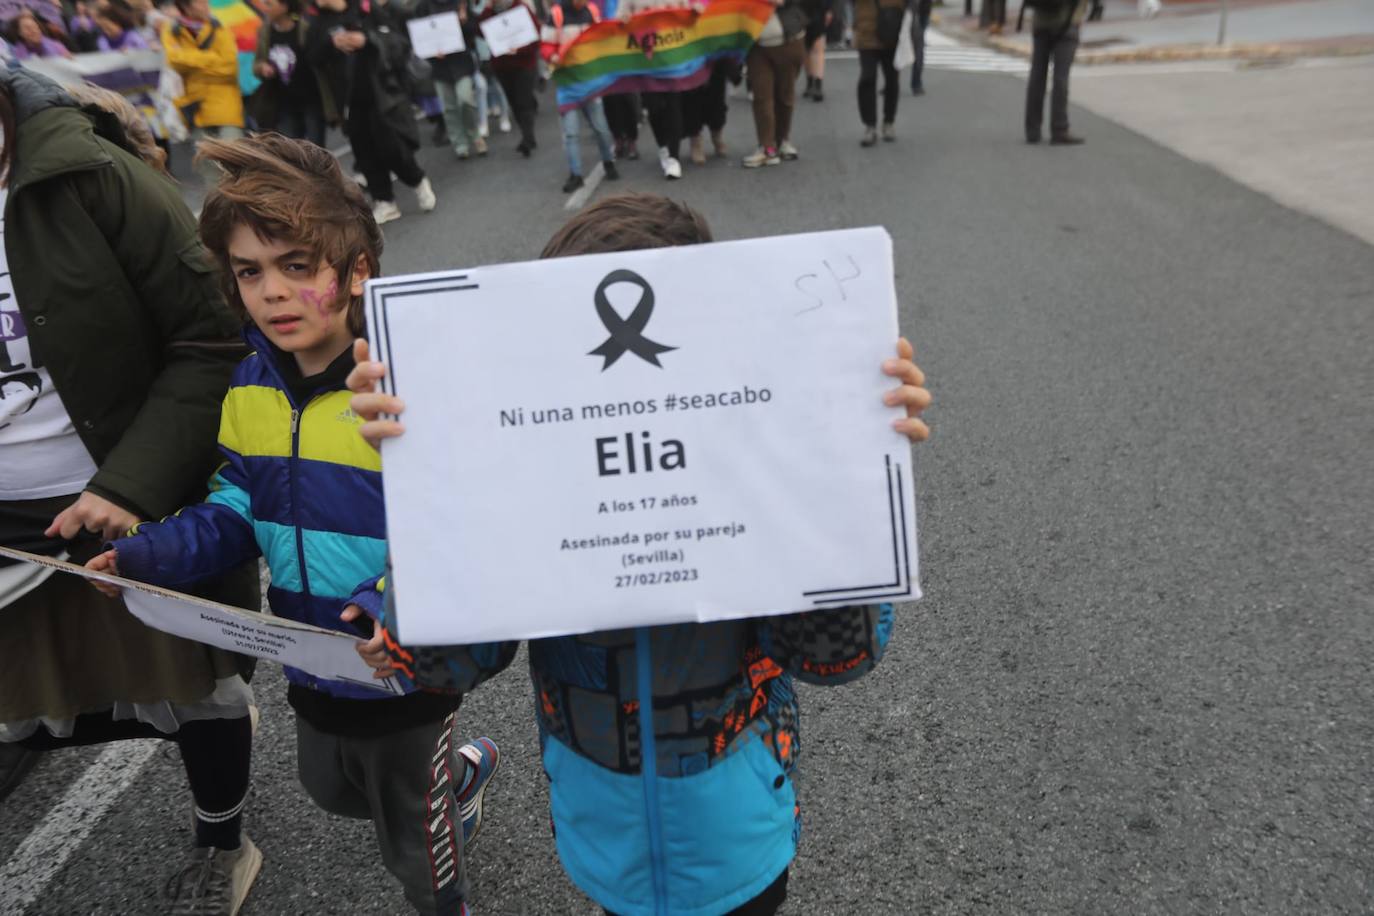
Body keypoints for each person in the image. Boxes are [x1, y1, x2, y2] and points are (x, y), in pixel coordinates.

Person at [344, 192, 933, 916]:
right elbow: (448, 664)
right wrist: (426, 486)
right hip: (603, 836)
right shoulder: (530, 478)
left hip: (740, 836)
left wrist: (849, 465)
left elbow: (836, 656)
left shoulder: (759, 467)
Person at [86, 134, 501, 916]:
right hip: (311, 661)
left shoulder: (402, 384)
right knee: (331, 788)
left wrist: (394, 606)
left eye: (298, 267)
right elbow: (237, 503)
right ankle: (463, 775)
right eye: (251, 271)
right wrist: (149, 555)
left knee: (414, 851)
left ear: (356, 274)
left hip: (401, 666)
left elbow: (458, 520)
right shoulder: (247, 382)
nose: (272, 292)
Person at [0, 67, 261, 914]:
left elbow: (211, 337)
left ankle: (223, 842)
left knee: (194, 684)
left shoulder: (88, 175)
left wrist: (133, 484)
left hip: (119, 490)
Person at [309, 0, 438, 224]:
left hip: (383, 94)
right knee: (364, 152)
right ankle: (384, 200)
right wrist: (332, 43)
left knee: (391, 145)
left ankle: (417, 179)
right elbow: (312, 57)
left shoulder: (365, 8)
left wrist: (366, 40)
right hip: (349, 100)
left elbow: (397, 43)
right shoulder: (319, 23)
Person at [161, 0, 246, 180]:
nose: (207, 5)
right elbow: (174, 60)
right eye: (200, 2)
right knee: (208, 167)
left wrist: (192, 65)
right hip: (195, 107)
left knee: (234, 159)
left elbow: (230, 67)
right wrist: (213, 59)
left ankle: (240, 203)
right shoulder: (172, 30)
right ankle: (219, 206)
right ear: (186, 7)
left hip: (225, 106)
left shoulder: (219, 27)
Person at [547, 0, 617, 190]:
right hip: (568, 85)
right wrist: (554, 56)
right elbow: (546, 45)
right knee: (571, 133)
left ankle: (608, 161)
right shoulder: (556, 15)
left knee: (601, 128)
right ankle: (575, 174)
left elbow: (601, 38)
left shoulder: (592, 11)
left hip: (590, 82)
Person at [250, 0, 330, 146]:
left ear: (284, 6)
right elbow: (257, 64)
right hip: (284, 104)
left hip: (311, 100)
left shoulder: (304, 27)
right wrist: (263, 68)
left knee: (316, 150)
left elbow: (320, 59)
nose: (265, 8)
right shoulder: (265, 31)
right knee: (292, 151)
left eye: (269, 4)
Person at [742, 0, 806, 168]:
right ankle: (767, 148)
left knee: (785, 95)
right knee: (762, 96)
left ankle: (783, 140)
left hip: (788, 41)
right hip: (756, 46)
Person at [476, 0, 540, 156]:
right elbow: (480, 31)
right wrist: (487, 9)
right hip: (502, 65)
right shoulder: (490, 12)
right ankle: (527, 136)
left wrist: (520, 48)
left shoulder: (520, 7)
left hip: (524, 63)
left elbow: (536, 33)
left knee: (523, 100)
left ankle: (528, 138)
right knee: (514, 102)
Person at [1024, 0, 1088, 145]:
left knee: (1037, 74)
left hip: (1040, 22)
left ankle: (1032, 129)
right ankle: (1059, 128)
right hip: (1067, 23)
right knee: (1061, 77)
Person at [852, 0, 903, 146]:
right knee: (867, 77)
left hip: (893, 29)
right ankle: (870, 125)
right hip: (866, 31)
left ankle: (888, 121)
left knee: (892, 79)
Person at [681, 57, 730, 165]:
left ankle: (717, 136)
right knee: (691, 98)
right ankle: (695, 141)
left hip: (713, 52)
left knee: (716, 98)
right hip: (691, 51)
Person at [5, 9, 72, 57]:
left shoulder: (57, 45)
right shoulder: (18, 55)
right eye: (28, 28)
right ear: (19, 33)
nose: (34, 30)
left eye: (35, 27)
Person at [799, 0, 830, 101]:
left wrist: (829, 9)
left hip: (817, 9)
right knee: (806, 49)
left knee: (817, 47)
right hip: (800, 11)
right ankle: (811, 82)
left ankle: (816, 84)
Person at [909, 0, 930, 95]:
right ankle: (916, 84)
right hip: (902, 11)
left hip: (920, 12)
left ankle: (916, 83)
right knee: (918, 48)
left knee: (918, 48)